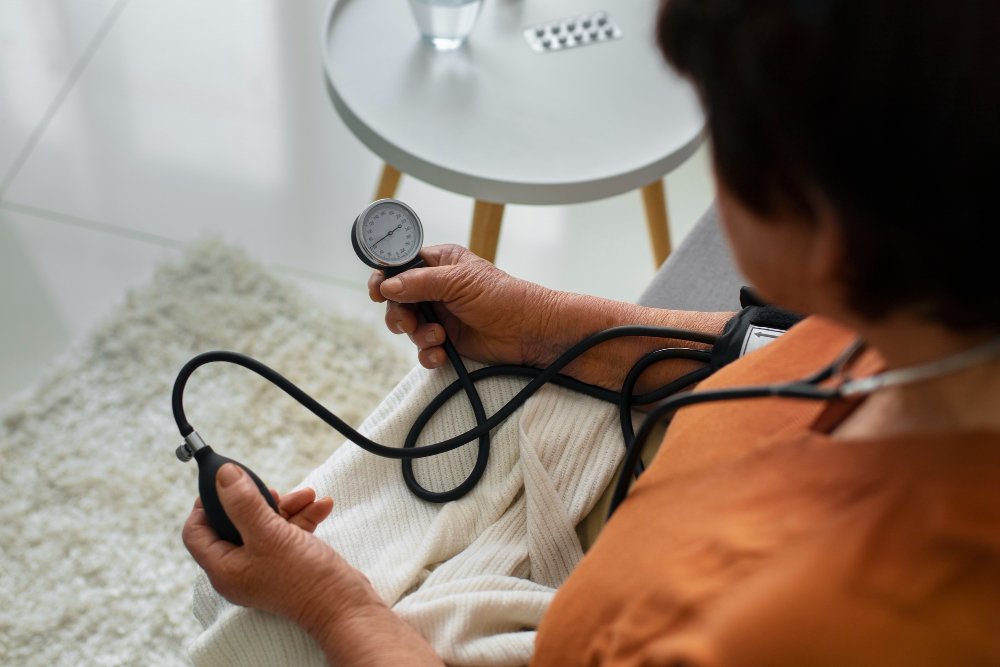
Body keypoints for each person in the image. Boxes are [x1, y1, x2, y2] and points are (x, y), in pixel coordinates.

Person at [183, 0, 1000, 664]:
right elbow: (780, 347)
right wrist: (543, 327)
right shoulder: (937, 313)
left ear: (824, 226)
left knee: (246, 617)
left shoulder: (805, 626)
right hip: (658, 486)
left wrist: (332, 601)